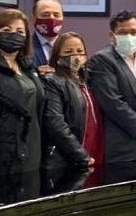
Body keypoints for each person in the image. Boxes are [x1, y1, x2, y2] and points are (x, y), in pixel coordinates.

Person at [0, 10, 45, 185]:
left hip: (32, 148)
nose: (14, 35)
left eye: (20, 32)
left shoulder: (28, 68)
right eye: (7, 30)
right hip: (0, 154)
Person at [88, 11, 136, 163]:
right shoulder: (101, 60)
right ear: (112, 35)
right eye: (123, 33)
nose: (129, 37)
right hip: (120, 149)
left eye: (134, 32)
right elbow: (112, 103)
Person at [42, 32, 103, 170]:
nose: (75, 56)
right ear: (57, 56)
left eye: (80, 51)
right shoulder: (52, 81)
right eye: (68, 52)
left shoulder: (87, 81)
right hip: (70, 158)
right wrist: (81, 155)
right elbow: (56, 124)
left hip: (95, 149)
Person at [31, 0, 64, 74]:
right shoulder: (25, 45)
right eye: (45, 15)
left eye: (56, 15)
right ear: (34, 19)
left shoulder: (69, 46)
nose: (52, 18)